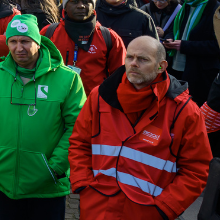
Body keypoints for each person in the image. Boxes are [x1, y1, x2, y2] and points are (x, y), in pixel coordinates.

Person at [69, 36, 212, 219]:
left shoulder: (184, 111)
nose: (134, 64)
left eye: (143, 59)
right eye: (130, 57)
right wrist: (83, 183)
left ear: (161, 66)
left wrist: (166, 206)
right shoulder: (100, 96)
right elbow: (79, 143)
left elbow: (195, 170)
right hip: (97, 206)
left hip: (146, 211)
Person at [0, 14, 86, 220]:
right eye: (13, 41)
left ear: (38, 42)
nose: (19, 48)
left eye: (25, 41)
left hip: (47, 185)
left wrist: (55, 167)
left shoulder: (68, 79)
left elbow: (77, 127)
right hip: (4, 180)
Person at [42, 0, 126, 94]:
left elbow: (120, 76)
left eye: (86, 2)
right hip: (56, 101)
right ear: (65, 7)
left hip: (94, 104)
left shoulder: (109, 37)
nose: (81, 6)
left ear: (93, 8)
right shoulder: (49, 32)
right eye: (74, 1)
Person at [163, 0, 220, 105]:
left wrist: (184, 46)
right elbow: (175, 29)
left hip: (200, 74)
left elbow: (217, 46)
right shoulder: (186, 4)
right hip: (176, 67)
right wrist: (170, 38)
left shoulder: (215, 9)